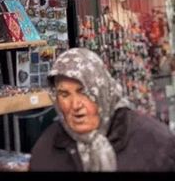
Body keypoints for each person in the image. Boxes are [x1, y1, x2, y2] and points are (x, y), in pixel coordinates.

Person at [29, 47, 175, 172]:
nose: (75, 105)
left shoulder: (155, 143)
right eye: (64, 94)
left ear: (103, 91)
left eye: (84, 92)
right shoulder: (46, 149)